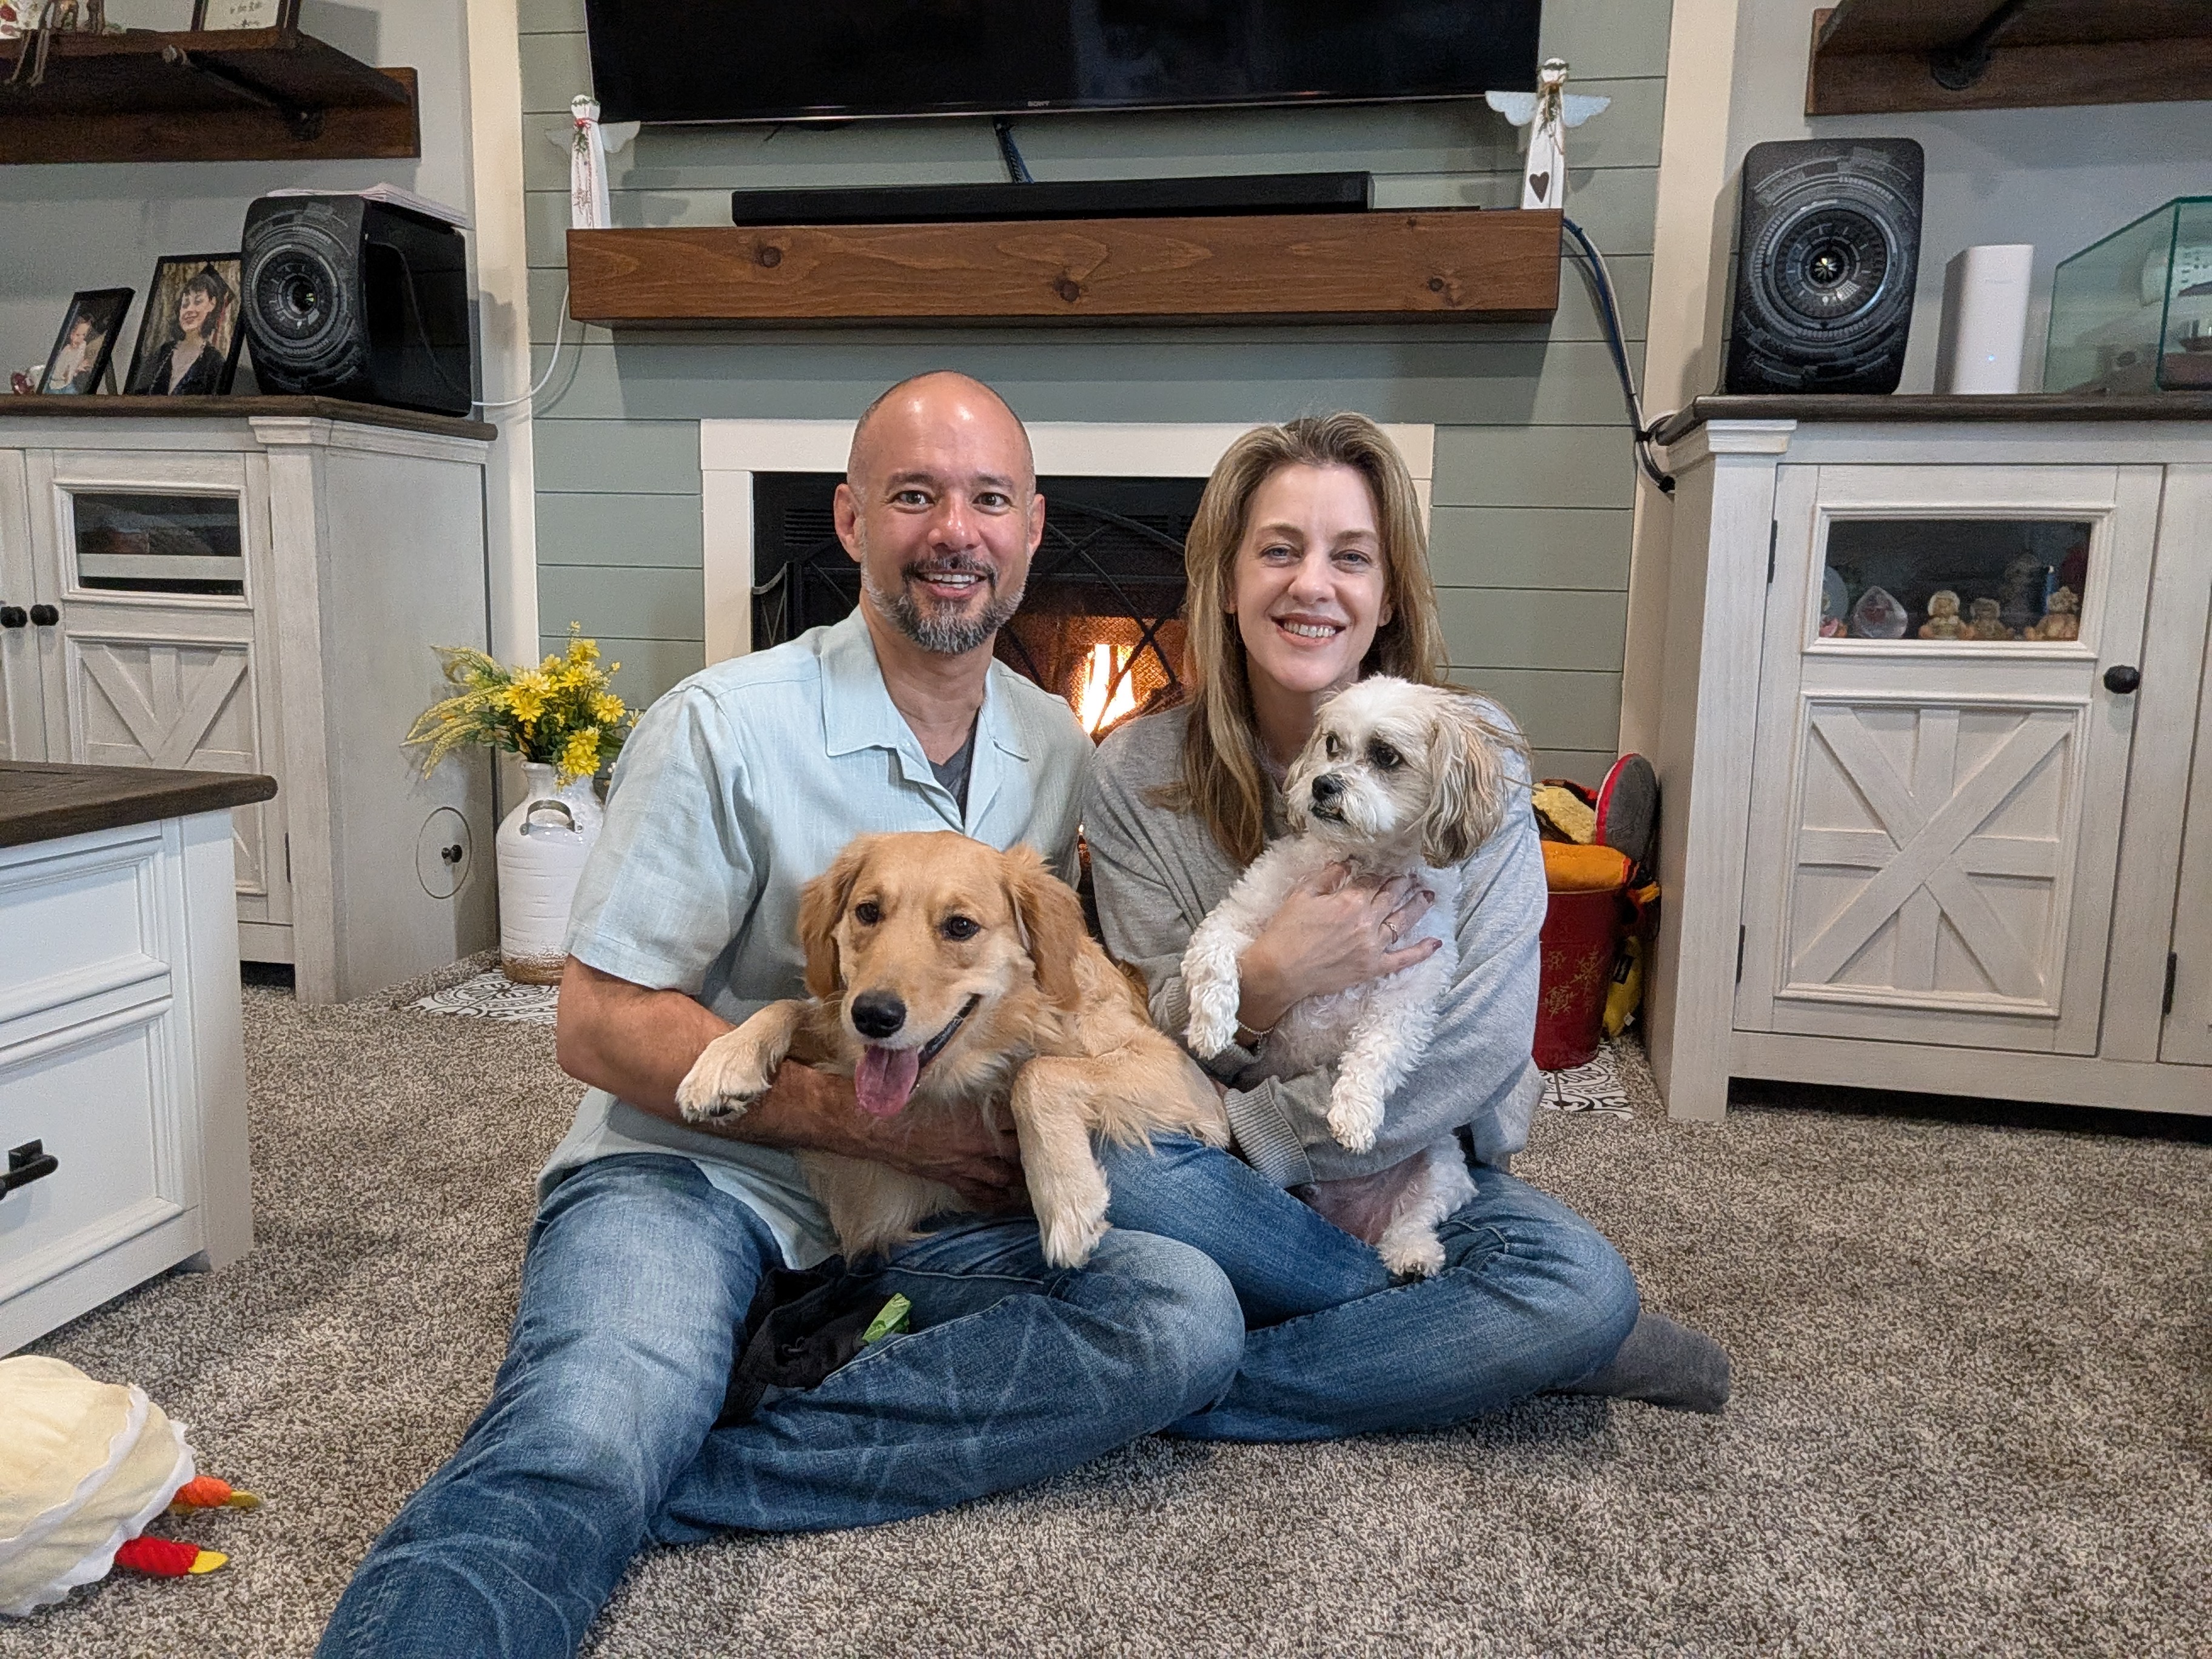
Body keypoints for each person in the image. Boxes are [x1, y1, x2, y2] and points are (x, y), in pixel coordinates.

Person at [316, 372, 1244, 1659]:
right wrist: (881, 1132)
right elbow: (592, 1027)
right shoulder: (722, 724)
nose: (953, 531)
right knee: (579, 1442)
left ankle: (704, 1464)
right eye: (913, 495)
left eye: (988, 499)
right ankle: (612, 1473)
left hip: (924, 1219)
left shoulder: (1058, 744)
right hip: (699, 1172)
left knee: (1182, 1314)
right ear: (851, 521)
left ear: (1033, 530)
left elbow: (1067, 986)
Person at [1082, 412, 1732, 1439]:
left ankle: (1180, 1371)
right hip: (1207, 1170)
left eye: (1350, 557)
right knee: (1119, 1163)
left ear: (1387, 595)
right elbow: (1149, 1036)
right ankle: (1480, 1352)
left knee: (1581, 1284)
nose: (1311, 586)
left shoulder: (1483, 765)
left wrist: (1259, 1136)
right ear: (1225, 578)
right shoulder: (1127, 775)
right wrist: (1268, 978)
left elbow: (1473, 1050)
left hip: (1388, 1156)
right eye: (1278, 551)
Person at [139, 266, 233, 395]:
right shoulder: (163, 352)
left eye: (198, 301)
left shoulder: (214, 362)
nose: (189, 310)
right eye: (185, 304)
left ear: (212, 304)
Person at [42, 313, 104, 394]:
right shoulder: (67, 351)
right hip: (58, 385)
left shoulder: (83, 346)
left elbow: (77, 366)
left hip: (69, 384)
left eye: (84, 335)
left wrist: (81, 366)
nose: (81, 338)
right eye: (78, 335)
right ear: (72, 335)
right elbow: (61, 373)